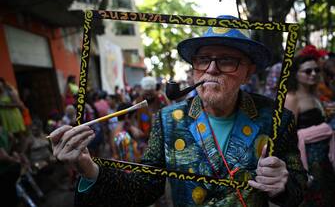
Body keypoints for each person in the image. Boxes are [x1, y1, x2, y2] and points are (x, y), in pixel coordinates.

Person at [50, 15, 307, 207]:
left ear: (248, 71)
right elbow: (144, 188)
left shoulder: (277, 119)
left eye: (227, 60)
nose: (212, 69)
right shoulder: (168, 120)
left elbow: (298, 188)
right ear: (194, 68)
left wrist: (282, 185)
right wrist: (89, 168)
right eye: (203, 59)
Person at [285, 55, 335, 207]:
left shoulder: (315, 94)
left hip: (324, 157)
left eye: (316, 70)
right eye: (307, 71)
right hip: (308, 159)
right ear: (296, 74)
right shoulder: (291, 98)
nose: (313, 74)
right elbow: (288, 133)